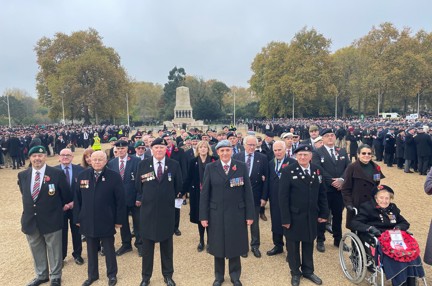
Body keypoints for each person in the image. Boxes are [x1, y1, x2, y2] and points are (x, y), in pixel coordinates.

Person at [200, 140, 255, 286]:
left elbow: (247, 193)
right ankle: (219, 276)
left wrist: (250, 215)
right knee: (217, 245)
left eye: (227, 150)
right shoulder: (211, 167)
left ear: (232, 151)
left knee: (235, 244)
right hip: (216, 213)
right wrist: (203, 216)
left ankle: (235, 275)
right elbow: (205, 193)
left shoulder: (241, 166)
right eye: (222, 151)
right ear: (217, 152)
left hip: (237, 213)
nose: (225, 153)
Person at [18, 145, 72, 286]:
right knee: (36, 249)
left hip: (52, 219)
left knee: (54, 250)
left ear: (45, 157)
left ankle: (55, 276)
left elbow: (66, 196)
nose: (37, 158)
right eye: (34, 156)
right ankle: (41, 275)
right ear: (30, 158)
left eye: (40, 155)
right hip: (31, 220)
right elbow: (26, 195)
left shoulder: (57, 173)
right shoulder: (23, 175)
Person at [350, 185, 424, 286]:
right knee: (396, 257)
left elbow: (404, 223)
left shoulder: (393, 208)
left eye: (387, 198)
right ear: (376, 198)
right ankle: (401, 282)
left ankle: (411, 281)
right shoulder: (367, 207)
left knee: (410, 254)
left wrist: (398, 227)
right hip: (376, 237)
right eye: (381, 198)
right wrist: (370, 228)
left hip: (394, 238)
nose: (384, 201)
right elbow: (354, 223)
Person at [279, 144, 329, 286]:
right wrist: (285, 219)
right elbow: (282, 197)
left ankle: (308, 271)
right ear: (295, 156)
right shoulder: (288, 171)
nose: (302, 157)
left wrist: (324, 213)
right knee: (293, 246)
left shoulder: (317, 170)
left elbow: (322, 194)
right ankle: (295, 272)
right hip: (294, 216)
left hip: (311, 215)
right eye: (300, 154)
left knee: (308, 243)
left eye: (305, 155)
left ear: (310, 156)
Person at [74, 151, 126, 286]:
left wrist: (119, 220)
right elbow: (77, 199)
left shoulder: (114, 176)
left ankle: (112, 275)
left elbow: (120, 200)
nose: (97, 162)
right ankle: (92, 275)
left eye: (100, 160)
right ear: (90, 160)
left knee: (109, 249)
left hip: (107, 219)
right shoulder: (82, 176)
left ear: (106, 161)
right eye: (94, 159)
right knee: (91, 251)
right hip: (88, 220)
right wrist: (78, 218)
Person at [136, 138, 183, 286]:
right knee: (147, 248)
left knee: (167, 248)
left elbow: (178, 186)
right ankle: (146, 277)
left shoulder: (174, 165)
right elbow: (139, 186)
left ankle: (168, 275)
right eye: (156, 147)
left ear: (166, 149)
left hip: (166, 212)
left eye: (162, 147)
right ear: (151, 149)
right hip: (148, 212)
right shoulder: (143, 164)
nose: (159, 150)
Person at [312, 128, 350, 253]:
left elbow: (348, 167)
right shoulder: (317, 152)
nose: (330, 137)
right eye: (327, 136)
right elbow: (318, 169)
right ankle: (320, 240)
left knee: (338, 216)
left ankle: (337, 240)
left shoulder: (342, 151)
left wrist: (342, 180)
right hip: (325, 190)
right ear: (322, 138)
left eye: (332, 135)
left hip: (339, 190)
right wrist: (332, 181)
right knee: (323, 215)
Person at [233, 135, 268, 258]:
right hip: (239, 196)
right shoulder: (236, 157)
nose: (252, 147)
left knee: (254, 223)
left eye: (254, 145)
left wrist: (264, 197)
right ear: (244, 144)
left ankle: (255, 245)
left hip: (256, 196)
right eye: (250, 145)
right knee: (241, 222)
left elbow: (266, 180)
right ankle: (243, 246)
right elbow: (232, 177)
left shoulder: (262, 158)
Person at [107, 140, 142, 257]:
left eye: (123, 148)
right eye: (118, 148)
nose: (121, 150)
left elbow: (140, 181)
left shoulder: (136, 161)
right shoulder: (111, 163)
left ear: (127, 149)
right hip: (119, 200)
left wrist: (139, 197)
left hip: (134, 197)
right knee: (123, 223)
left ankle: (140, 244)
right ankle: (126, 244)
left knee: (138, 222)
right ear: (115, 149)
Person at [183, 140, 216, 252]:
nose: (203, 149)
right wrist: (181, 191)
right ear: (197, 149)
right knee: (200, 217)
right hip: (197, 194)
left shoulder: (214, 160)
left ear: (208, 149)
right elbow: (188, 178)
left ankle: (210, 241)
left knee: (211, 217)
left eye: (205, 147)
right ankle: (201, 240)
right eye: (200, 147)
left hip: (211, 194)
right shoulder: (193, 161)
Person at [341, 144, 385, 229]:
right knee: (357, 228)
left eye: (369, 153)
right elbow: (346, 189)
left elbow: (377, 185)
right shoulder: (352, 167)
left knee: (371, 227)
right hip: (357, 203)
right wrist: (349, 204)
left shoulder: (376, 167)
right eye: (363, 153)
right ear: (358, 154)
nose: (366, 156)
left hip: (371, 203)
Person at [264, 140, 296, 257]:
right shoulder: (270, 163)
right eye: (275, 150)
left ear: (285, 150)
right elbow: (267, 181)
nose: (277, 152)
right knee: (276, 222)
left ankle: (290, 250)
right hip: (274, 198)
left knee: (287, 223)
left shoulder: (292, 162)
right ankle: (278, 245)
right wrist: (264, 197)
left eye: (280, 150)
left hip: (288, 199)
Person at [55, 148, 85, 265]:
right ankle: (61, 257)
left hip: (76, 207)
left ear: (72, 157)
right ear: (59, 157)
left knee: (77, 232)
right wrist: (62, 204)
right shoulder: (53, 171)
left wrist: (74, 203)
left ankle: (77, 254)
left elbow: (83, 189)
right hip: (60, 208)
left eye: (68, 155)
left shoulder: (80, 170)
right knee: (61, 233)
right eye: (63, 155)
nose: (65, 157)